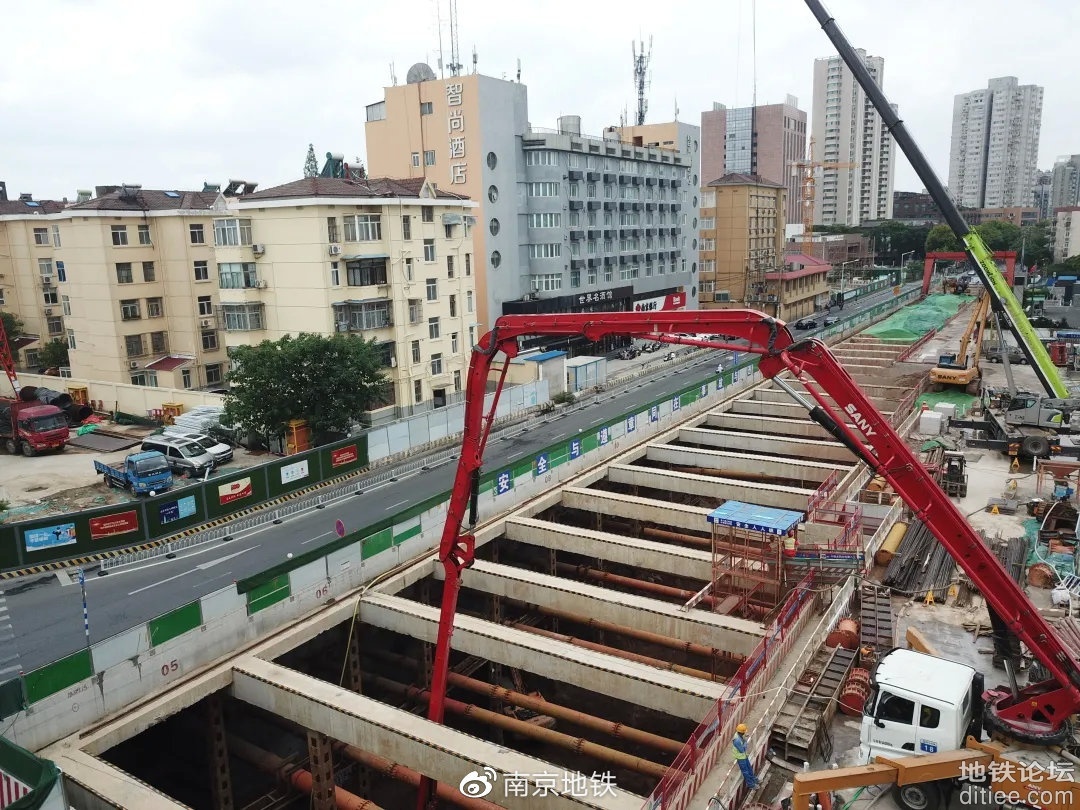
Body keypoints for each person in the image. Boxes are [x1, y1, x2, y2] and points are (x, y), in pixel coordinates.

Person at [732, 723, 759, 789]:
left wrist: (744, 739)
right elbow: (742, 750)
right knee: (745, 772)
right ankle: (751, 785)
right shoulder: (737, 740)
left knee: (749, 768)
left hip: (744, 756)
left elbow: (743, 740)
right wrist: (745, 743)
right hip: (740, 758)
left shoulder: (739, 735)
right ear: (741, 732)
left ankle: (753, 779)